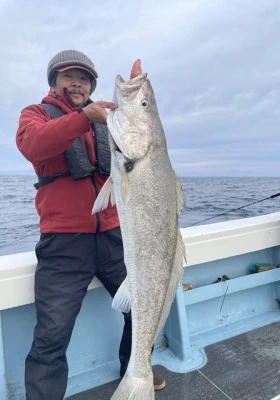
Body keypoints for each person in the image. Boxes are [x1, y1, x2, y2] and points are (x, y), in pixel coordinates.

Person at [16, 49, 166, 400]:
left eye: (84, 78)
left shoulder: (109, 119)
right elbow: (33, 144)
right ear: (54, 82)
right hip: (64, 243)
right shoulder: (36, 115)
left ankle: (135, 370)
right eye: (69, 76)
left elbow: (141, 142)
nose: (77, 83)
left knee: (142, 307)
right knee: (52, 334)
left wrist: (139, 99)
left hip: (115, 236)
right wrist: (85, 118)